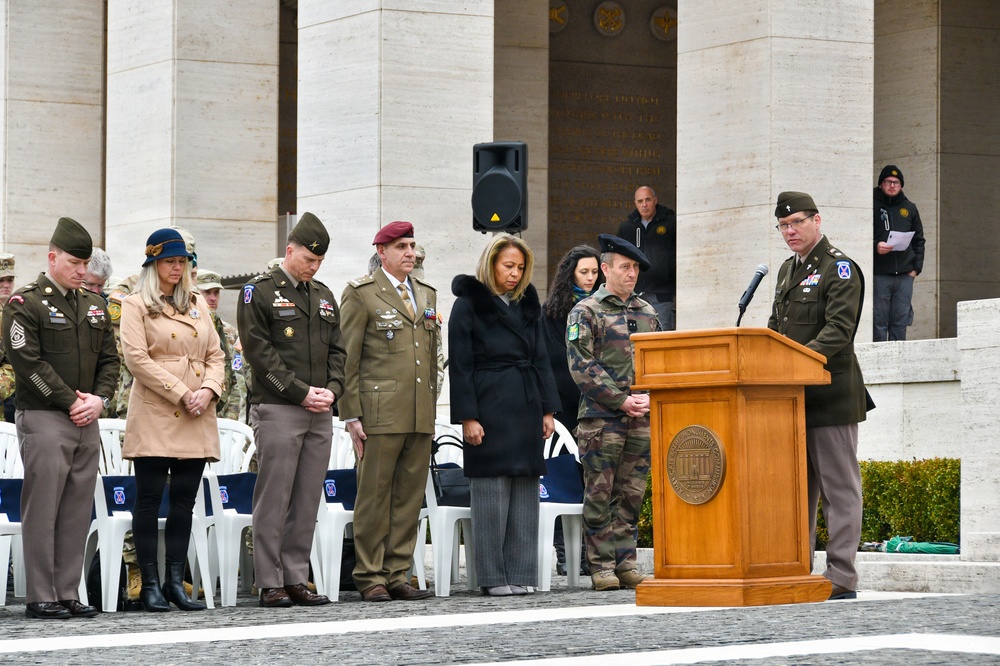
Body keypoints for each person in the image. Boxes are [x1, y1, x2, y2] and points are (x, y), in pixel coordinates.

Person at [2, 217, 119, 619]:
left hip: (87, 418)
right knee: (44, 506)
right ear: (53, 258)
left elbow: (110, 360)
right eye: (74, 262)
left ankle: (68, 590)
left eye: (85, 264)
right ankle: (40, 594)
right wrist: (72, 400)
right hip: (46, 416)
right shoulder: (26, 302)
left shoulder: (94, 305)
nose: (82, 271)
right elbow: (26, 361)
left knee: (75, 508)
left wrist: (100, 399)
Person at [237, 212, 346, 608]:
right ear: (289, 250)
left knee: (306, 497)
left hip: (320, 410)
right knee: (275, 495)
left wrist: (333, 391)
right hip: (280, 405)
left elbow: (338, 350)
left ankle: (296, 575)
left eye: (318, 262)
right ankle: (270, 580)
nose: (313, 267)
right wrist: (301, 392)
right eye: (307, 259)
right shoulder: (259, 292)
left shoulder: (324, 295)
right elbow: (258, 352)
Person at [768, 191, 867, 600]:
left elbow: (839, 331)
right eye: (783, 226)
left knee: (838, 490)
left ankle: (841, 576)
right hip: (790, 400)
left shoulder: (839, 268)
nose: (790, 231)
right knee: (796, 492)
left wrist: (794, 365)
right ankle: (798, 568)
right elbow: (775, 328)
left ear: (817, 221)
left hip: (830, 395)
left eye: (797, 223)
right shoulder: (786, 271)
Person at [120, 228, 224, 612]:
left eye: (182, 261)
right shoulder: (136, 304)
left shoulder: (198, 302)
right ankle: (149, 585)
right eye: (169, 261)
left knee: (184, 501)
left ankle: (175, 583)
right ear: (153, 264)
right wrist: (182, 392)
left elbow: (216, 355)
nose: (177, 267)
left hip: (198, 408)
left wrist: (209, 390)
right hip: (157, 409)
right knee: (148, 501)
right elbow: (137, 360)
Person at [449, 234, 560, 596]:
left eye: (520, 267)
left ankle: (520, 572)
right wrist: (468, 416)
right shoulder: (468, 304)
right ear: (491, 263)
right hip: (488, 401)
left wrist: (548, 408)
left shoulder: (527, 303)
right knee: (491, 494)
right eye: (508, 266)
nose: (514, 274)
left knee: (526, 491)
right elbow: (461, 365)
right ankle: (493, 577)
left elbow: (541, 357)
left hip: (526, 401)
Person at [341, 221, 438, 602]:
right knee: (375, 496)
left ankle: (398, 573)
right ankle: (369, 575)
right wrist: (351, 415)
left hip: (418, 412)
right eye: (401, 247)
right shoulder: (362, 293)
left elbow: (431, 359)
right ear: (382, 252)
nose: (410, 253)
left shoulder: (426, 294)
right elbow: (348, 359)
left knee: (409, 498)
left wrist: (431, 406)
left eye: (412, 246)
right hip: (378, 412)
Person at [567, 234, 660, 592]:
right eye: (625, 267)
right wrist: (620, 399)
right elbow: (581, 365)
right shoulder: (586, 311)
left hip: (641, 417)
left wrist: (649, 397)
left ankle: (627, 563)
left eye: (635, 267)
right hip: (601, 419)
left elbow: (658, 362)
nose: (632, 273)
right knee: (600, 495)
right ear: (606, 269)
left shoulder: (647, 313)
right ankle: (602, 566)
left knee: (632, 494)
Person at [542, 245, 602, 577]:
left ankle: (590, 553)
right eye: (584, 272)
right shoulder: (549, 314)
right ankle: (565, 552)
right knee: (562, 478)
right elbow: (545, 363)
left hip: (595, 404)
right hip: (562, 407)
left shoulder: (604, 309)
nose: (591, 279)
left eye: (595, 272)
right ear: (570, 274)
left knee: (593, 482)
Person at [873, 165, 925, 341]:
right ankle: (879, 365)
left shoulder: (909, 208)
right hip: (880, 274)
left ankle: (898, 364)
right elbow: (860, 236)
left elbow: (919, 240)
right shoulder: (870, 204)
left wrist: (916, 269)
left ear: (901, 185)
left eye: (896, 182)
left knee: (900, 321)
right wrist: (876, 246)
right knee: (878, 322)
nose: (892, 185)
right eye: (888, 182)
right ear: (881, 184)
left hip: (904, 275)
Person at [617, 186, 677, 330]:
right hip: (634, 294)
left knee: (663, 336)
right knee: (635, 336)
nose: (644, 205)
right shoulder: (627, 228)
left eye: (648, 200)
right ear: (635, 204)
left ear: (655, 201)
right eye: (640, 201)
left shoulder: (670, 223)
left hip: (661, 295)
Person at [197, 270, 247, 422]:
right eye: (207, 292)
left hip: (221, 416)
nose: (212, 298)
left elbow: (236, 379)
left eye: (216, 293)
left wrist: (230, 418)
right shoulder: (184, 328)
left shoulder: (230, 332)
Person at [0, 252, 17, 423]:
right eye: (0, 280)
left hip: (9, 399)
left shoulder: (17, 309)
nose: (6, 285)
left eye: (9, 280)